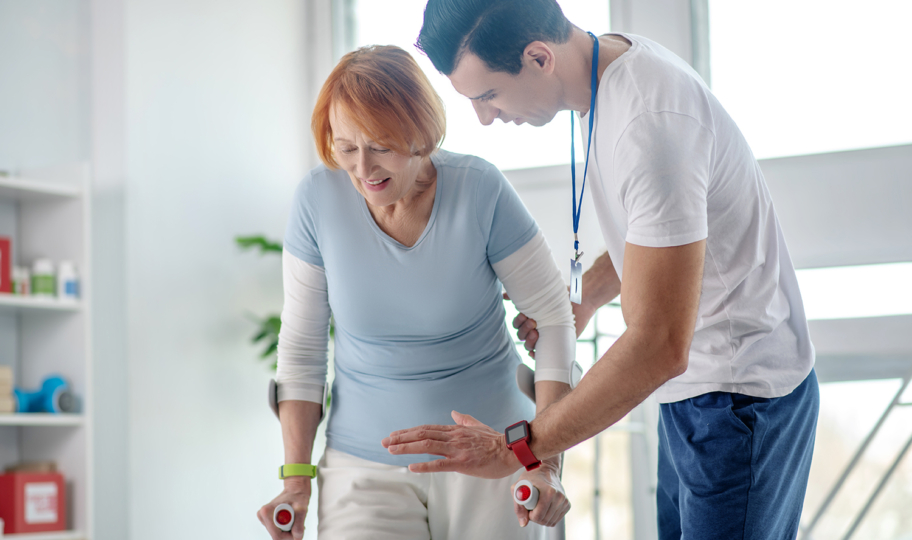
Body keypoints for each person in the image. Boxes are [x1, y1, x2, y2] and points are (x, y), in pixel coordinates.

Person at [382, 1, 820, 538]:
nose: (485, 118)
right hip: (695, 392)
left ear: (539, 57)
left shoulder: (649, 124)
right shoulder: (606, 68)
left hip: (738, 398)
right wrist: (585, 297)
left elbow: (658, 344)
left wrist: (513, 447)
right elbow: (661, 236)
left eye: (488, 95)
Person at [256, 45, 577, 540]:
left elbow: (553, 319)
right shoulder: (318, 200)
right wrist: (296, 479)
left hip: (492, 453)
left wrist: (543, 462)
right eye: (346, 147)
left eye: (381, 146)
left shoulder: (479, 189)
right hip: (363, 466)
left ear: (421, 134)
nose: (363, 169)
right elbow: (301, 349)